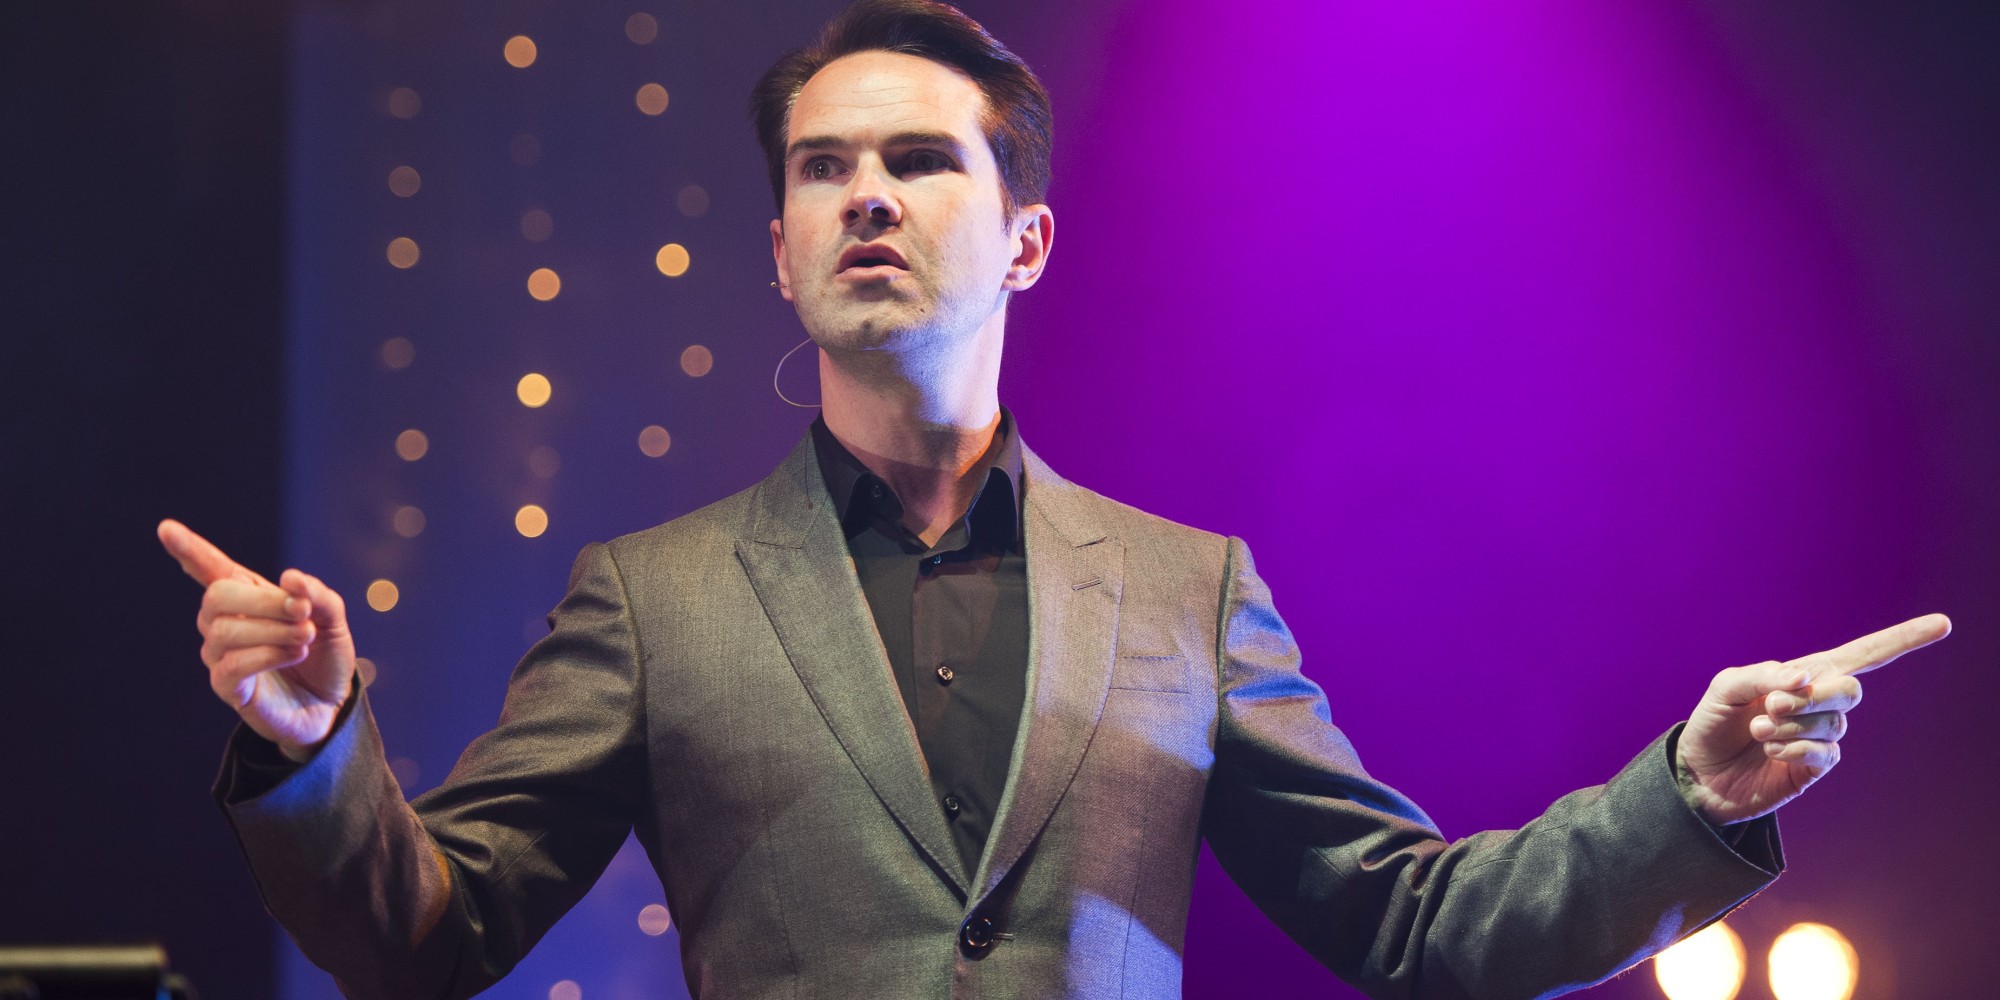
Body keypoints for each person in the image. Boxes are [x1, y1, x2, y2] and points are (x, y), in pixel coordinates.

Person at [156, 1, 1951, 997]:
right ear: (777, 250)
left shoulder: (1184, 590)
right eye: (823, 169)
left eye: (917, 159)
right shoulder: (655, 597)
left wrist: (1683, 797)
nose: (867, 195)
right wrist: (313, 751)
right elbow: (428, 935)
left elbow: (1415, 925)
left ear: (1024, 241)